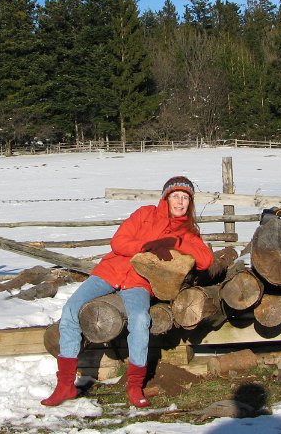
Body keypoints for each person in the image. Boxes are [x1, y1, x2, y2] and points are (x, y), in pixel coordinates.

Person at [42, 175, 214, 408]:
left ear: (190, 202)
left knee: (140, 319)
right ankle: (65, 385)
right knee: (71, 309)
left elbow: (206, 260)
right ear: (166, 198)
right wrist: (145, 248)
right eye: (175, 196)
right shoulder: (145, 214)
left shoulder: (188, 232)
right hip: (110, 271)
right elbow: (118, 242)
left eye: (185, 197)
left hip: (139, 282)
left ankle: (134, 386)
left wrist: (176, 243)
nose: (180, 202)